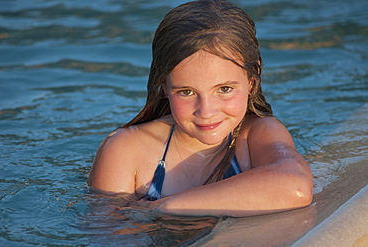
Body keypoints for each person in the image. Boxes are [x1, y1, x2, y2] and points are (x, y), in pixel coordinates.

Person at [88, 0, 313, 217]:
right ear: (165, 86)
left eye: (224, 89)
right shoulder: (126, 150)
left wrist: (163, 207)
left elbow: (296, 187)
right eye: (186, 92)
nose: (206, 111)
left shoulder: (255, 134)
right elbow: (107, 234)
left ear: (251, 81)